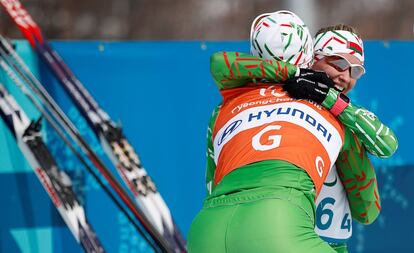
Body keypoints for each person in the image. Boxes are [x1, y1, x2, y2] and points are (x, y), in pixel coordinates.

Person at [204, 15, 397, 253]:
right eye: (338, 63)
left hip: (222, 227)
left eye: (355, 71)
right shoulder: (336, 120)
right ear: (312, 59)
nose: (345, 76)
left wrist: (328, 98)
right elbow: (367, 211)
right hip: (297, 236)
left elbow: (213, 185)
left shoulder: (231, 106)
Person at [188, 10, 351, 253]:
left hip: (207, 230)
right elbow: (367, 206)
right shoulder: (327, 105)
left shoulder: (223, 109)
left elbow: (212, 185)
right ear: (309, 55)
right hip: (277, 224)